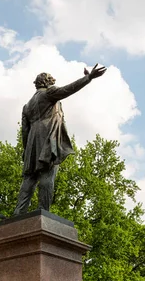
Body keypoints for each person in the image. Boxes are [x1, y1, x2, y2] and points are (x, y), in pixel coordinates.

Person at [13, 64, 107, 215]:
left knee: (29, 178)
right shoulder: (49, 94)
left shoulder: (27, 106)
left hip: (31, 143)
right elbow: (68, 89)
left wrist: (26, 150)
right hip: (47, 138)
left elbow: (25, 131)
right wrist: (88, 78)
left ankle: (18, 212)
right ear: (47, 82)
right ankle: (43, 211)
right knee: (47, 175)